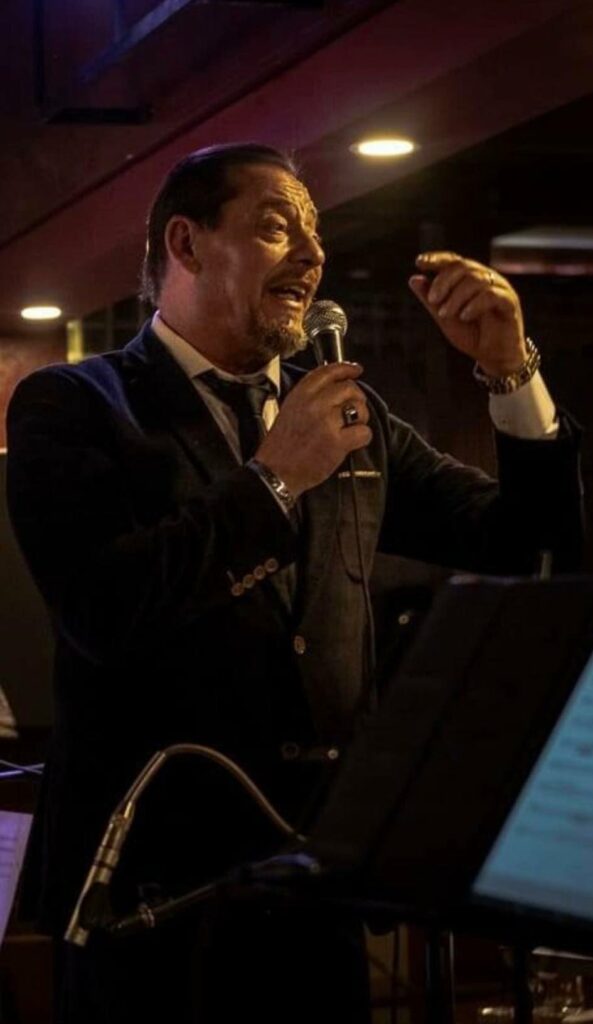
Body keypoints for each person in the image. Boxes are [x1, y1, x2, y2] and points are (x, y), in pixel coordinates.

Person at [6, 143, 583, 1023]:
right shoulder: (74, 405)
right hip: (151, 905)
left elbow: (529, 548)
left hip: (318, 886)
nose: (313, 256)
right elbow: (101, 611)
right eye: (278, 228)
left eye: (315, 234)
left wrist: (510, 371)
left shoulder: (349, 414)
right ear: (186, 244)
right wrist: (276, 479)